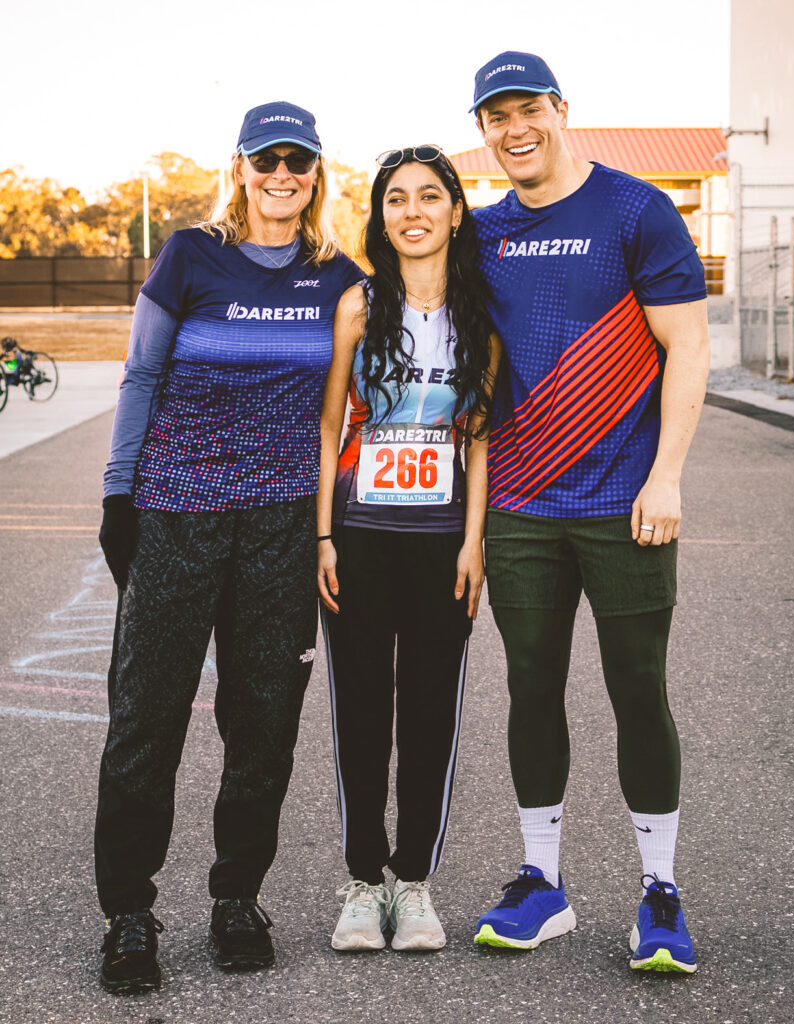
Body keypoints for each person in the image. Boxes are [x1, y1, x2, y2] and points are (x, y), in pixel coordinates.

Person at [94, 100, 362, 993]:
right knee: (145, 719)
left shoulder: (338, 276)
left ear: (316, 173)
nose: (280, 174)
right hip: (176, 514)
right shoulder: (190, 254)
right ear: (240, 167)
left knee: (262, 726)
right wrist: (118, 494)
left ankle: (236, 899)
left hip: (280, 526)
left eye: (297, 160)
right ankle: (129, 913)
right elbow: (141, 373)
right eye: (265, 159)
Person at [467, 52, 709, 973]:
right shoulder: (482, 233)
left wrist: (668, 475)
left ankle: (659, 891)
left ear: (560, 110)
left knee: (636, 692)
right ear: (483, 129)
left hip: (624, 502)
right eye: (496, 116)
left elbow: (685, 347)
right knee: (530, 687)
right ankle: (542, 882)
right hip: (521, 506)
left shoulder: (634, 209)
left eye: (527, 108)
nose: (513, 128)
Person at [317, 145, 499, 952]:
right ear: (380, 215)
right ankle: (362, 884)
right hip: (358, 540)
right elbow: (330, 429)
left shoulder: (480, 313)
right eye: (397, 199)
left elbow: (482, 439)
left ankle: (415, 884)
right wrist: (322, 533)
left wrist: (474, 543)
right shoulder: (357, 305)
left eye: (431, 197)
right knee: (360, 710)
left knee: (429, 713)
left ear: (456, 212)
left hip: (438, 549)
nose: (414, 211)